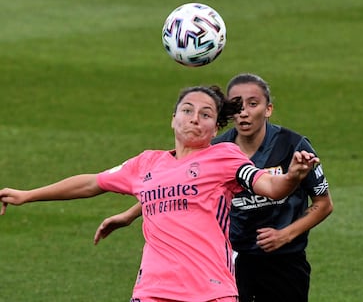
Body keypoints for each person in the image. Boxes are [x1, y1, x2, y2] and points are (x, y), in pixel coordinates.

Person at [0, 85, 320, 302]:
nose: (195, 118)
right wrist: (27, 195)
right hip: (153, 289)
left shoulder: (224, 156)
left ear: (214, 127)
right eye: (187, 110)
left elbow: (270, 186)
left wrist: (293, 175)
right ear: (173, 119)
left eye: (206, 114)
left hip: (209, 291)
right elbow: (92, 183)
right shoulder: (146, 163)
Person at [94, 74, 334, 302]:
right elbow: (169, 184)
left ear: (268, 109)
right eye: (237, 105)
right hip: (233, 256)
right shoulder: (215, 149)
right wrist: (128, 215)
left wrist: (286, 234)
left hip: (284, 259)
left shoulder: (293, 146)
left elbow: (324, 204)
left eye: (253, 104)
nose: (244, 113)